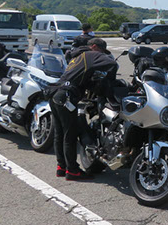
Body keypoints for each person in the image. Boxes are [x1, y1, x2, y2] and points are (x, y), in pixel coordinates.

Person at [48, 38, 117, 180]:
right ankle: (72, 171)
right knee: (70, 134)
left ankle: (61, 167)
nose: (102, 54)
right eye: (102, 51)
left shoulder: (77, 57)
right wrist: (110, 80)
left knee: (60, 134)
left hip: (56, 94)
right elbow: (112, 64)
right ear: (94, 46)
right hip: (67, 97)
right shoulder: (91, 54)